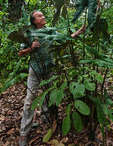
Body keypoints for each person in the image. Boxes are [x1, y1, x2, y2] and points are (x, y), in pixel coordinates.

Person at [18, 10, 86, 146]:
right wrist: (31, 48)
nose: (43, 17)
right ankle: (24, 132)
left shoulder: (50, 31)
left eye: (43, 15)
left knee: (49, 95)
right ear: (33, 21)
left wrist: (78, 32)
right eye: (39, 16)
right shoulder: (29, 33)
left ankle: (46, 118)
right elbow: (21, 53)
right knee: (30, 100)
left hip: (49, 69)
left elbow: (64, 38)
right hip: (35, 71)